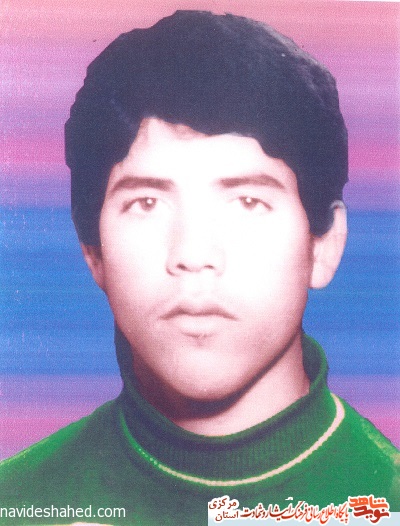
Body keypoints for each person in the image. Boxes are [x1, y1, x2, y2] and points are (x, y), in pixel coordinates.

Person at [0, 10, 398, 525]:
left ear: (323, 245)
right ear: (92, 251)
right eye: (146, 203)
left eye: (248, 202)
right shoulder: (18, 502)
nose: (193, 252)